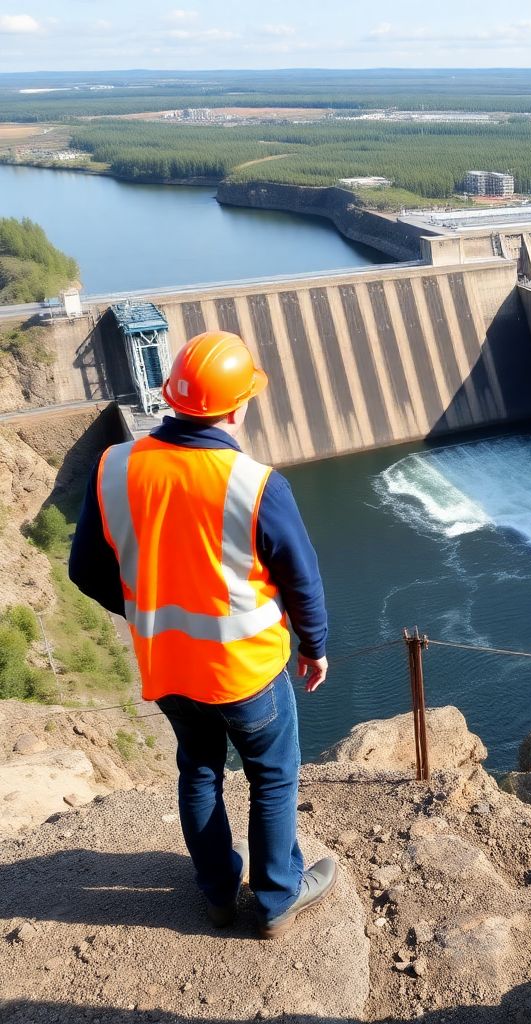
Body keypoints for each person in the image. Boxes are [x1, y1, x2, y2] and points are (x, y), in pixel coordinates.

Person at [69, 330, 336, 939]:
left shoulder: (115, 466)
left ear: (171, 399)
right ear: (238, 406)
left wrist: (145, 611)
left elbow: (84, 570)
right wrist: (315, 648)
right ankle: (273, 901)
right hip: (247, 673)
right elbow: (303, 579)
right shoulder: (254, 483)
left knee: (199, 770)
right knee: (272, 776)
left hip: (168, 669)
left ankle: (217, 895)